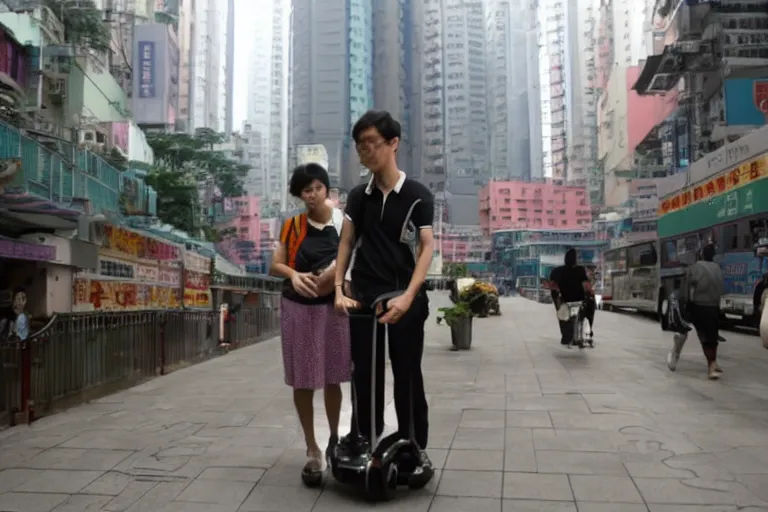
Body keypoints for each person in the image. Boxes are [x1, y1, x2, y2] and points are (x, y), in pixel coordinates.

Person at [333, 109, 435, 486]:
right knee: (364, 373)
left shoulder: (417, 195)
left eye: (372, 143)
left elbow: (426, 247)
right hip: (364, 297)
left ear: (394, 143)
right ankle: (363, 436)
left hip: (404, 296)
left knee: (407, 372)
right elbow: (347, 241)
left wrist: (409, 296)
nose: (365, 151)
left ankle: (413, 444)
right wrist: (340, 289)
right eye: (360, 145)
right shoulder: (359, 197)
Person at [269, 163, 351, 485]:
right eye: (306, 189)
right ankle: (312, 447)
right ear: (299, 195)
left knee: (333, 377)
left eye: (318, 187)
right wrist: (294, 274)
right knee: (304, 381)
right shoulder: (292, 227)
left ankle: (334, 438)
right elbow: (275, 264)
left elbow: (351, 258)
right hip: (299, 310)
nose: (313, 194)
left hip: (332, 310)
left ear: (327, 190)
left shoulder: (342, 223)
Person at [666, 243, 724, 379]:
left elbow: (689, 289)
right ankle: (712, 364)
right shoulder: (718, 269)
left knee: (682, 331)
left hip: (697, 304)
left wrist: (686, 305)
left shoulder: (694, 268)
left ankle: (674, 355)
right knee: (711, 338)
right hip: (713, 306)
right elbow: (721, 289)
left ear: (701, 255)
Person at [549, 248, 593, 346]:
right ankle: (584, 333)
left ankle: (566, 337)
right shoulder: (580, 270)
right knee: (587, 310)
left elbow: (552, 286)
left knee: (562, 315)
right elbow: (587, 286)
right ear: (575, 259)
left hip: (564, 299)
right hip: (578, 299)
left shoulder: (557, 271)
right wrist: (590, 293)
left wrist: (558, 294)